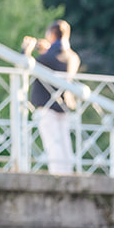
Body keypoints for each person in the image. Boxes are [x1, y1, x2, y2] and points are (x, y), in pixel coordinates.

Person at [26, 21, 79, 176]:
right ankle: (67, 173)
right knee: (65, 143)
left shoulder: (47, 58)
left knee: (53, 144)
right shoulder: (73, 57)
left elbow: (27, 65)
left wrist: (27, 51)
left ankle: (58, 175)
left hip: (47, 106)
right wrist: (47, 50)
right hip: (65, 105)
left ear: (52, 34)